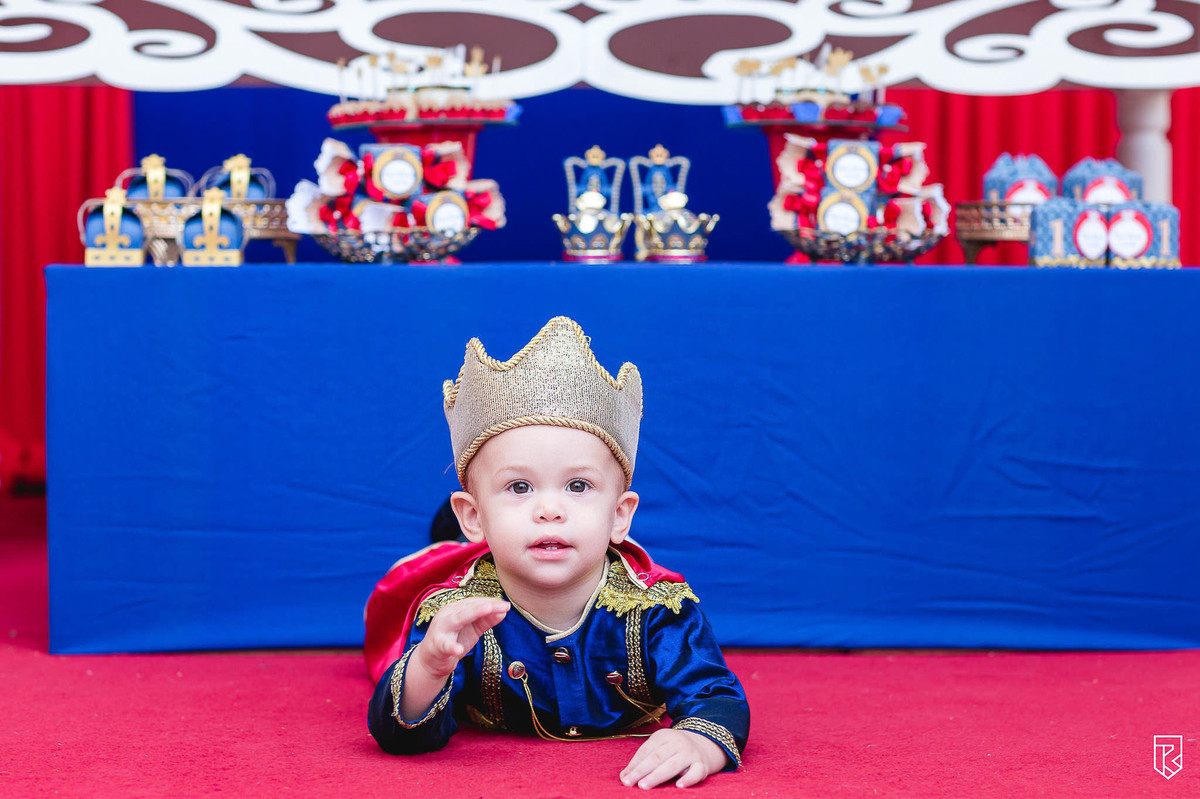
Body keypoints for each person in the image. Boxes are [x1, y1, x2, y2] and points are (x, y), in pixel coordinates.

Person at [365, 316, 749, 789]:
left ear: (619, 516)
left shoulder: (660, 610)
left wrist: (701, 740)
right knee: (423, 581)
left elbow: (715, 693)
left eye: (579, 486)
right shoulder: (455, 613)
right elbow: (401, 736)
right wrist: (429, 666)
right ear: (474, 517)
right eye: (519, 486)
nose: (550, 509)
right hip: (470, 556)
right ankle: (452, 536)